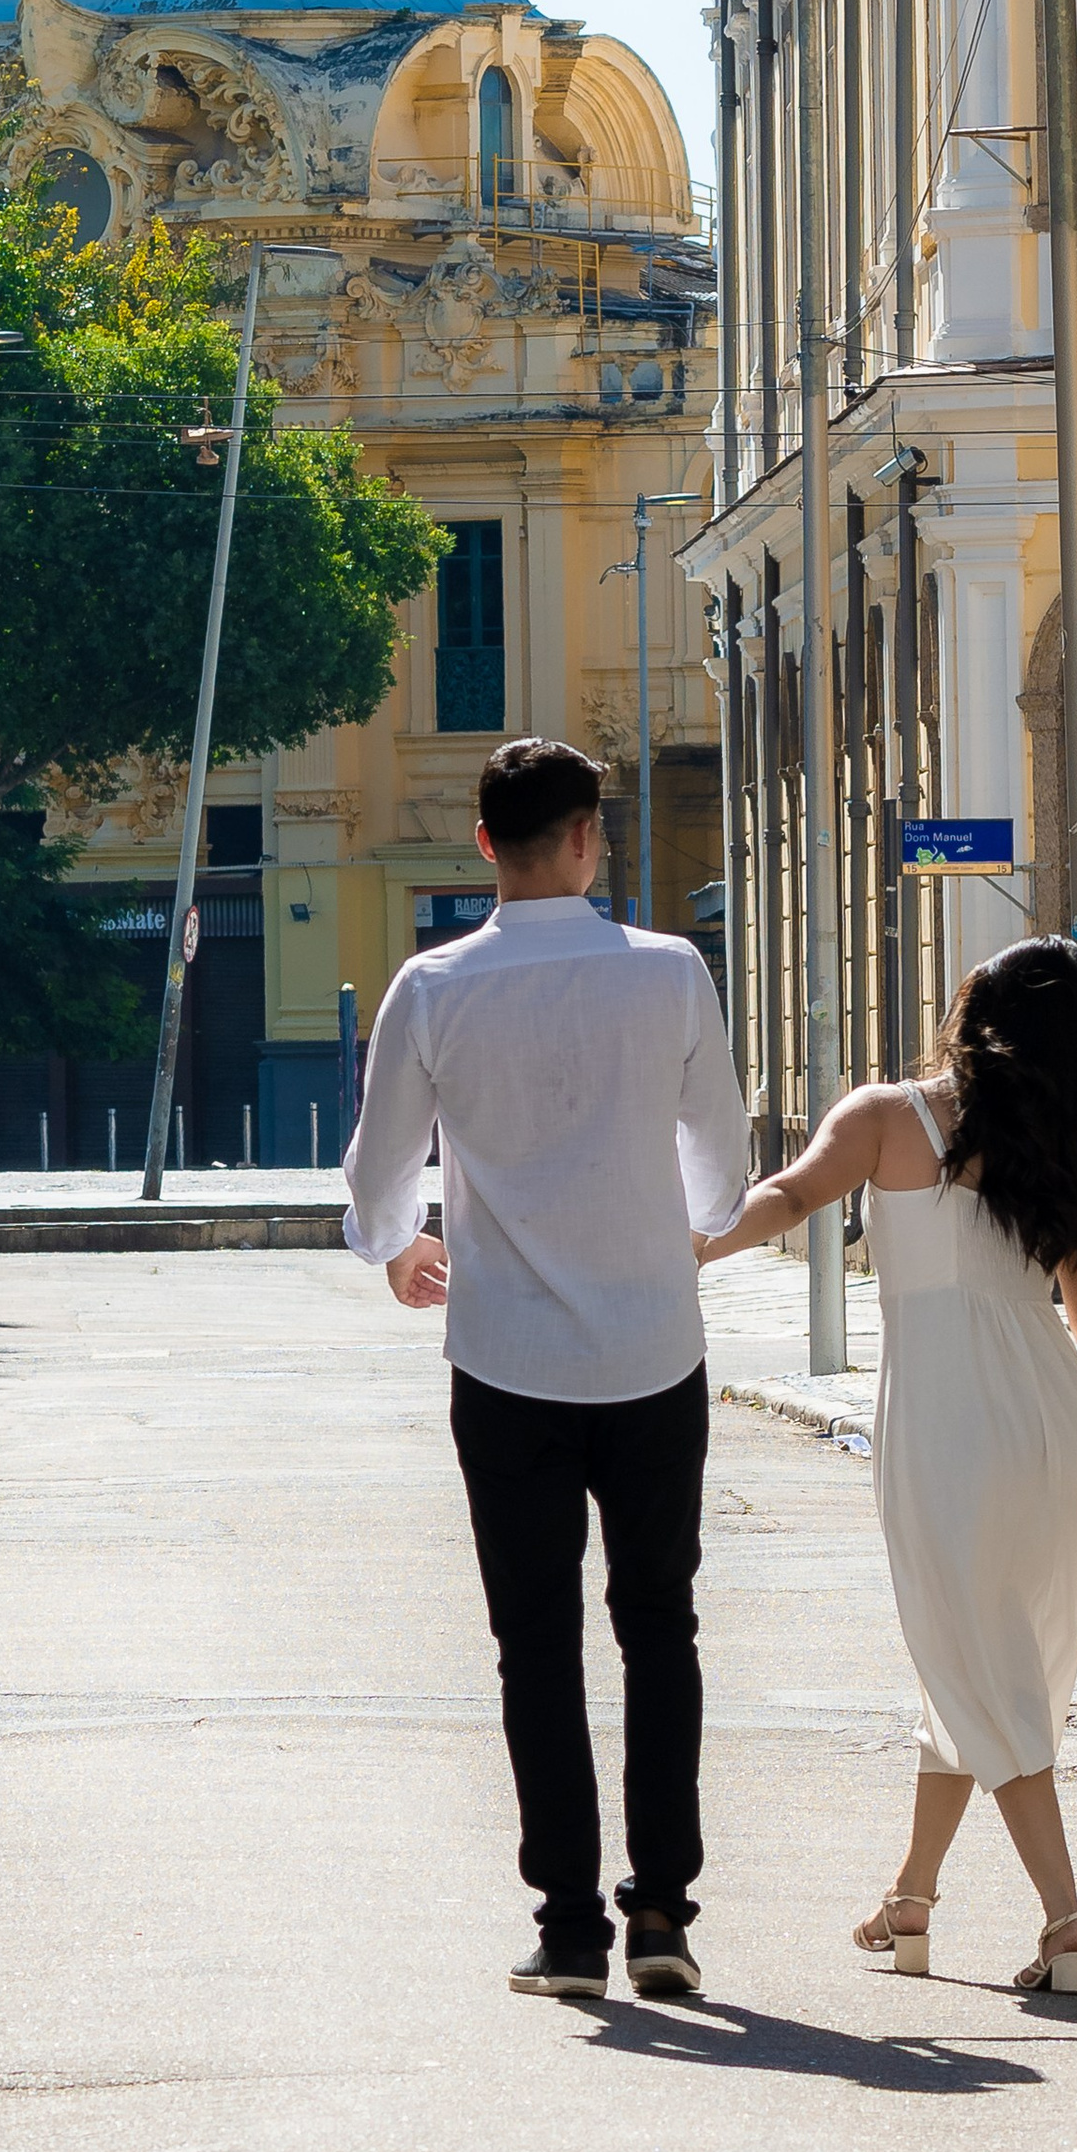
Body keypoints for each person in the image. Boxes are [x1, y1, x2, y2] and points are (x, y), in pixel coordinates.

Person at [341, 736, 750, 2005]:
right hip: (648, 1351)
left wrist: (397, 1248)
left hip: (505, 1357)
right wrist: (675, 1234)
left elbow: (375, 1174)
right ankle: (664, 1912)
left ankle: (569, 1923)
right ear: (588, 838)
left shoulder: (433, 986)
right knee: (659, 1628)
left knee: (536, 1644)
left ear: (484, 847)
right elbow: (723, 1164)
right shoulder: (671, 972)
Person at [697, 934, 1077, 1992]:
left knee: (980, 1662)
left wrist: (696, 1241)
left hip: (944, 1422)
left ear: (969, 1009)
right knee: (975, 1659)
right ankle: (910, 1897)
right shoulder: (1059, 1140)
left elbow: (787, 1196)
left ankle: (1064, 1918)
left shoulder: (883, 1116)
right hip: (1045, 1421)